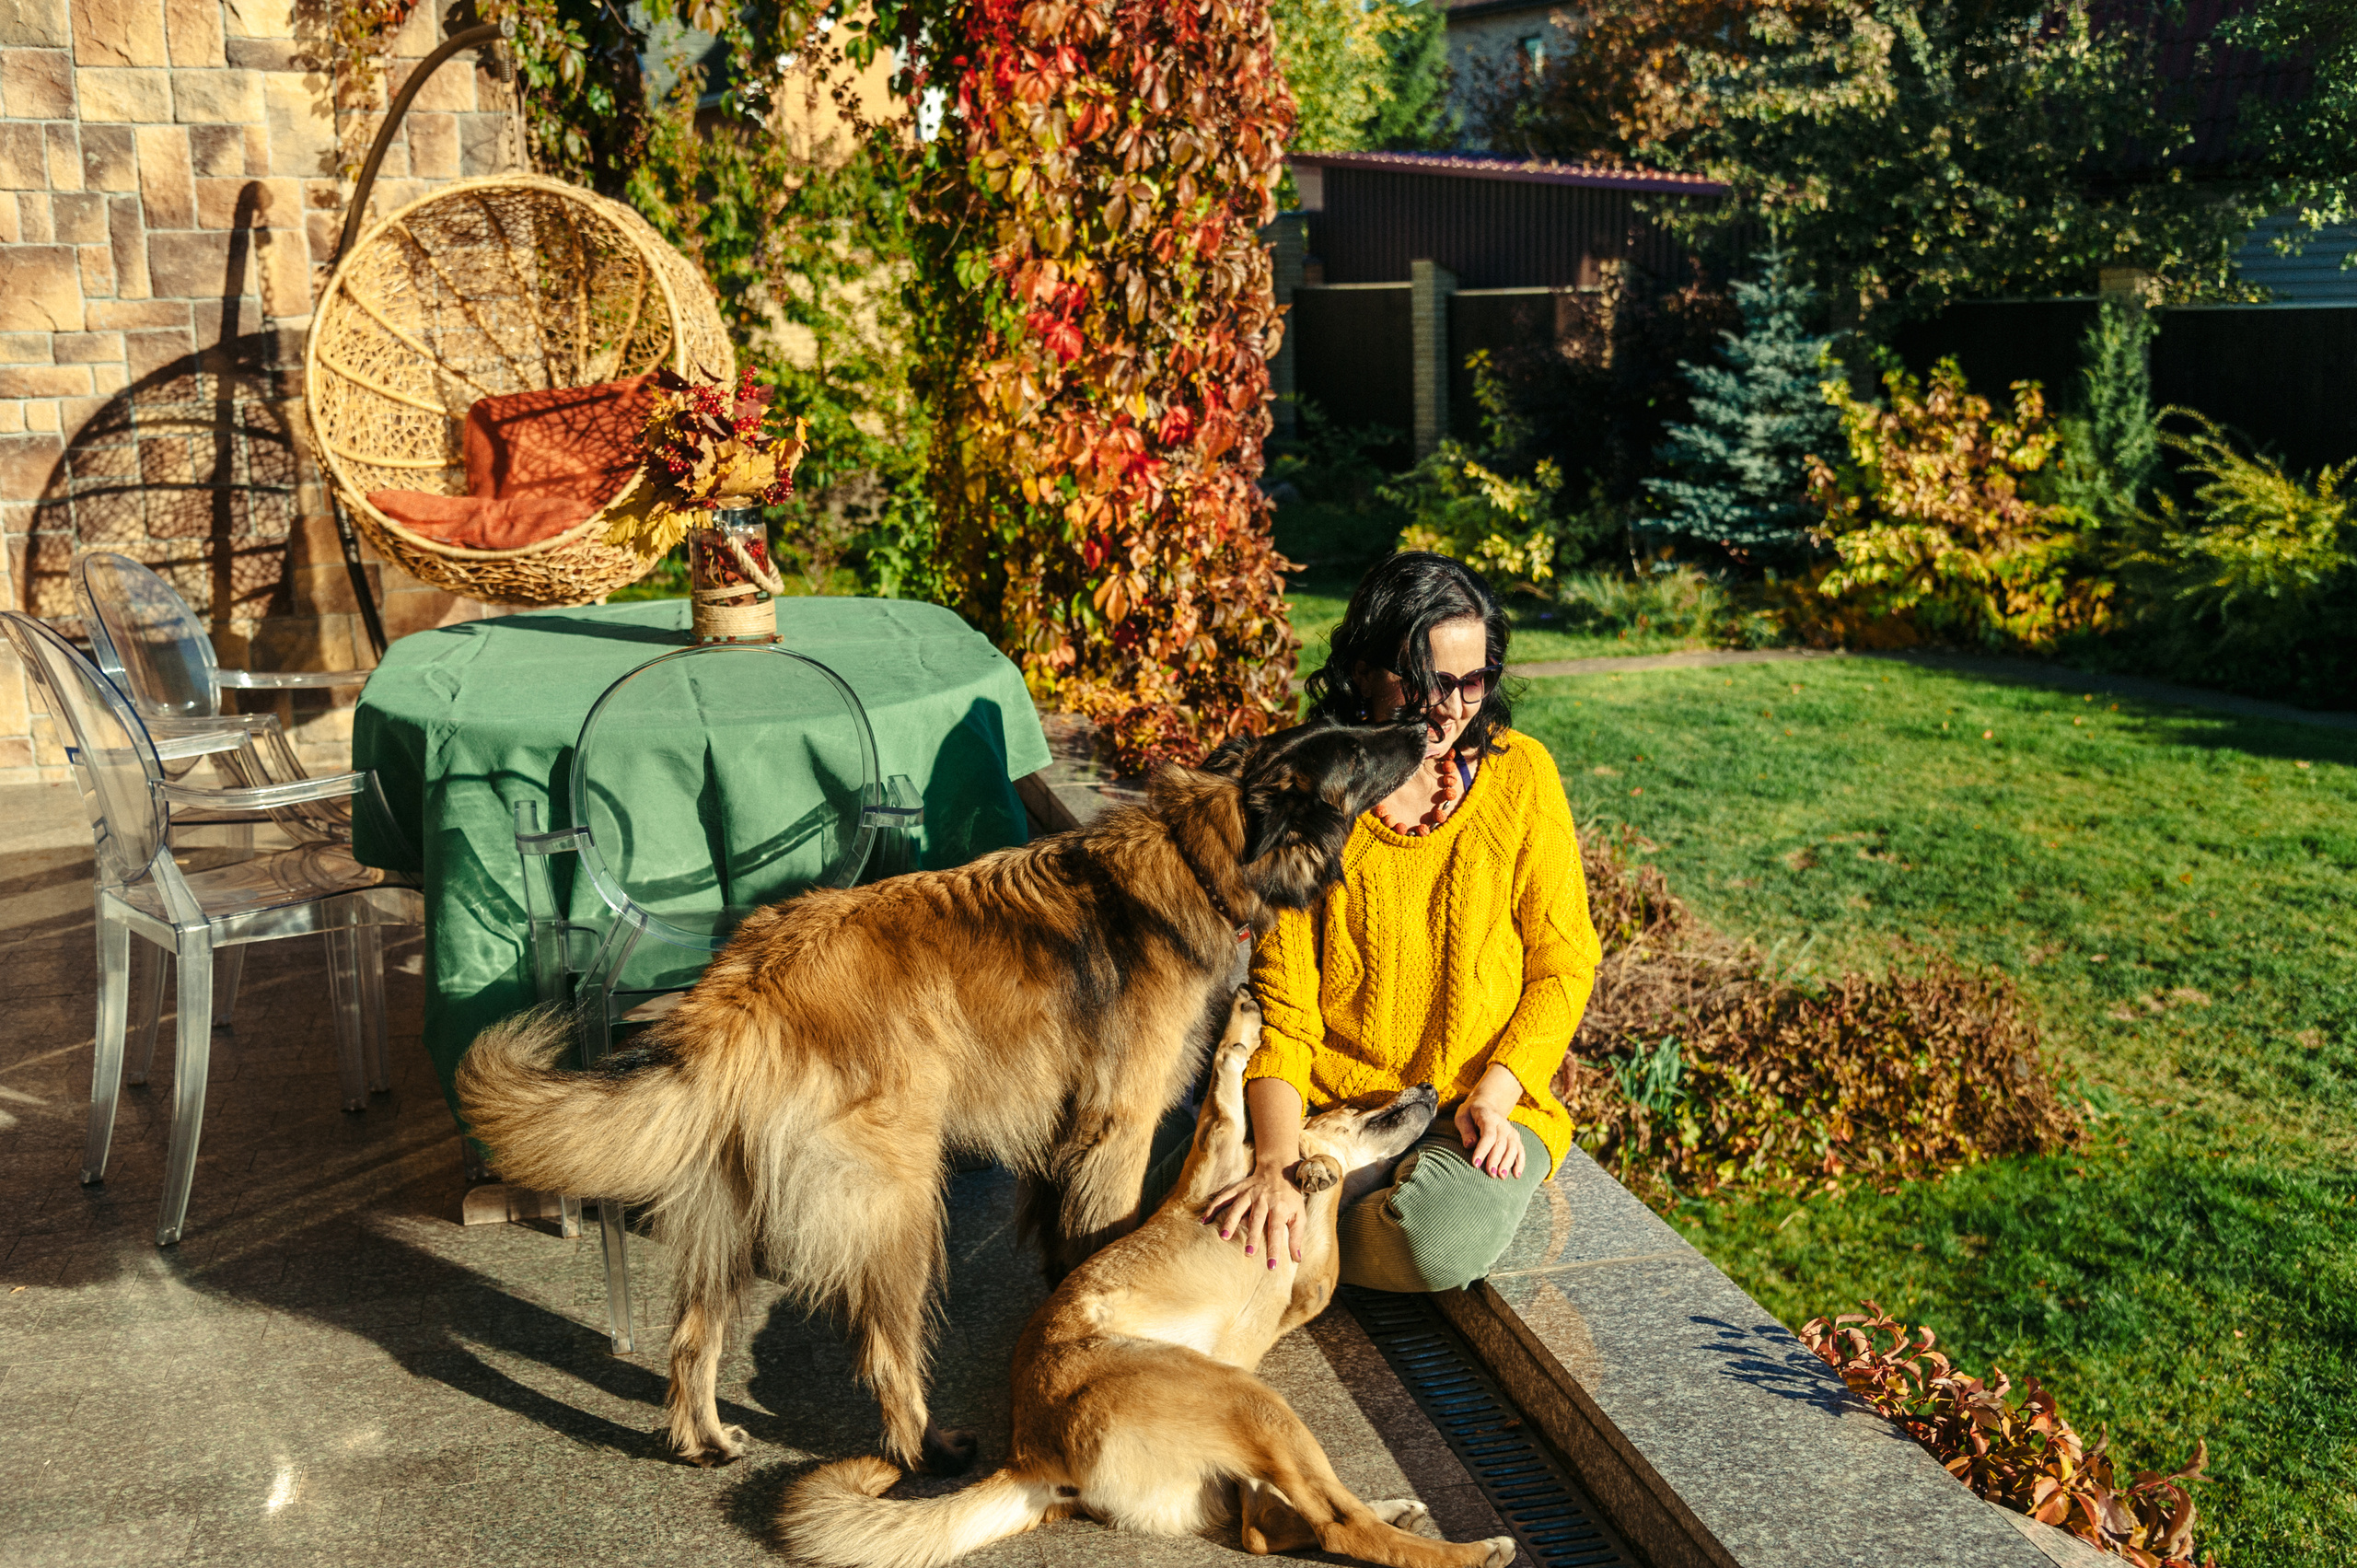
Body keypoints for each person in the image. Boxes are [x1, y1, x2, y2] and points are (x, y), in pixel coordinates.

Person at [1202, 551, 1602, 1293]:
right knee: (1205, 1211)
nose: (1451, 706)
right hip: (1333, 1104)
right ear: (1363, 670)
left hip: (1469, 1111)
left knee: (1431, 1245)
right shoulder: (1315, 794)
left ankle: (1319, 1223)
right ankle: (1328, 1204)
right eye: (1426, 682)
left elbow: (1565, 963)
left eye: (1472, 681)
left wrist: (1499, 1090)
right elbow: (1285, 1013)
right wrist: (1276, 1165)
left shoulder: (1523, 777)